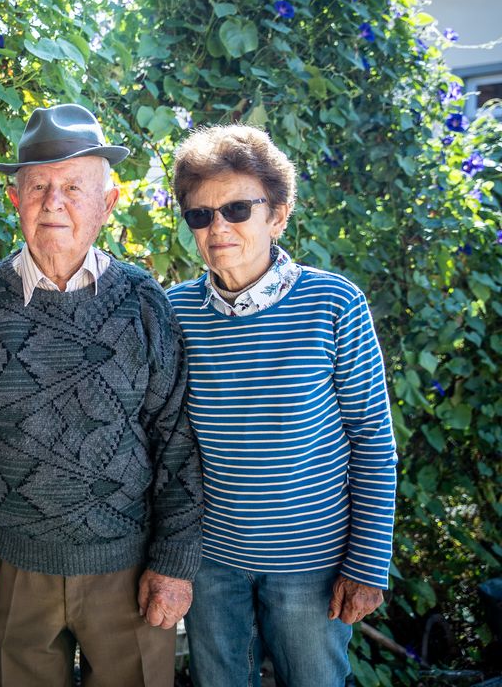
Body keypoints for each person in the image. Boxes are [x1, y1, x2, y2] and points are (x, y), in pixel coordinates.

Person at [0, 103, 204, 687]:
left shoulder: (144, 304)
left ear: (107, 204)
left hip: (127, 571)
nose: (54, 202)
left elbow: (177, 439)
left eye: (74, 187)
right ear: (15, 200)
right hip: (9, 573)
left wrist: (174, 560)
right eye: (38, 187)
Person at [166, 125, 397, 687]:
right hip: (211, 558)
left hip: (313, 563)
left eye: (238, 208)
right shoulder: (172, 311)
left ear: (279, 215)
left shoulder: (334, 302)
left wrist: (366, 564)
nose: (218, 226)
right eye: (201, 214)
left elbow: (372, 437)